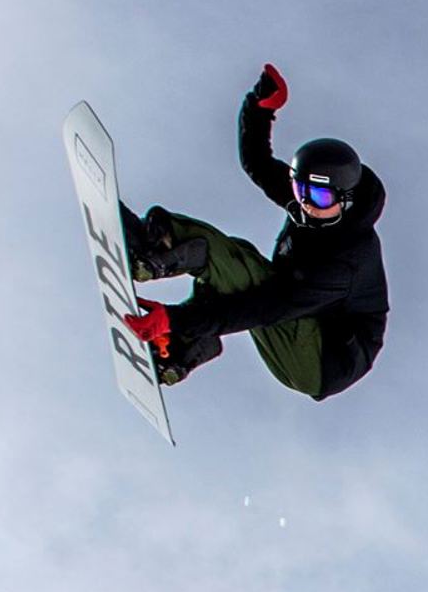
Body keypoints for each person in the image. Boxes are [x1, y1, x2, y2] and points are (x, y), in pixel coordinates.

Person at [120, 64, 388, 400]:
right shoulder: (308, 206)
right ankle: (181, 351)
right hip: (304, 323)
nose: (306, 203)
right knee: (236, 266)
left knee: (229, 259)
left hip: (325, 358)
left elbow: (265, 306)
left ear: (346, 200)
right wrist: (260, 108)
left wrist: (175, 318)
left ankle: (152, 252)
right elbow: (258, 163)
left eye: (319, 196)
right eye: (299, 188)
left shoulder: (347, 259)